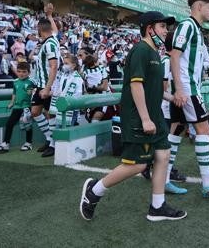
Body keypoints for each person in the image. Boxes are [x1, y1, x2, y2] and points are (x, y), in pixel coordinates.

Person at [79, 11, 187, 222]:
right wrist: (145, 119)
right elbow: (136, 85)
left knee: (163, 156)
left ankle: (157, 206)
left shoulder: (154, 52)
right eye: (163, 27)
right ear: (150, 29)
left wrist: (170, 97)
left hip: (154, 116)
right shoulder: (141, 51)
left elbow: (151, 87)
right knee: (137, 165)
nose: (166, 31)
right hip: (139, 117)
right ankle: (94, 191)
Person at [167, 0, 209, 199]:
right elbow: (174, 56)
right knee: (204, 129)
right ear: (198, 6)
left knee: (177, 129)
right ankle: (208, 183)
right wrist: (179, 88)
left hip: (187, 86)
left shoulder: (196, 28)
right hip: (187, 88)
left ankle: (164, 177)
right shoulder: (187, 25)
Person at [30, 18, 60, 158]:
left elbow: (54, 66)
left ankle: (53, 144)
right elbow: (55, 30)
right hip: (40, 83)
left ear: (40, 30)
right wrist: (49, 15)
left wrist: (47, 88)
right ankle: (49, 139)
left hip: (49, 85)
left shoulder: (49, 44)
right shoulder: (51, 39)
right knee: (35, 111)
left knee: (50, 114)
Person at [0, 62, 35, 152]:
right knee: (9, 123)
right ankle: (5, 143)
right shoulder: (15, 81)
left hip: (27, 107)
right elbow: (14, 93)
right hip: (17, 106)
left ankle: (28, 143)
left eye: (24, 72)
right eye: (19, 71)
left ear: (29, 72)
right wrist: (12, 102)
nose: (21, 74)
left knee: (28, 125)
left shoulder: (32, 82)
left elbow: (35, 92)